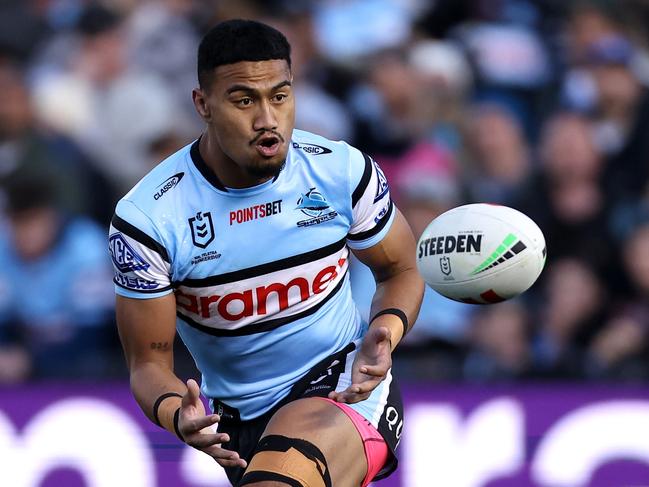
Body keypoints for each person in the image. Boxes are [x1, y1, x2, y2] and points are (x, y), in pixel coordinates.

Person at [109, 19, 424, 487]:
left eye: (280, 96)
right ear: (203, 105)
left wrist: (386, 328)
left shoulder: (340, 171)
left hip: (342, 389)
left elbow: (401, 268)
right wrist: (178, 414)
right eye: (244, 101)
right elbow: (149, 364)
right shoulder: (149, 220)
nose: (267, 120)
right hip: (238, 426)